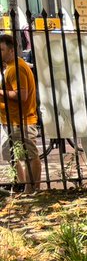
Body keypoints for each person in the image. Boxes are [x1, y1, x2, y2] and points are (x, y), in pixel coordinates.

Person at [1, 34, 42, 193]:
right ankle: (21, 184)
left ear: (11, 50)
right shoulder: (10, 67)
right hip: (10, 121)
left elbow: (21, 95)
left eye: (2, 50)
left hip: (21, 121)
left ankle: (32, 189)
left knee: (30, 156)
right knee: (10, 154)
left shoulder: (16, 68)